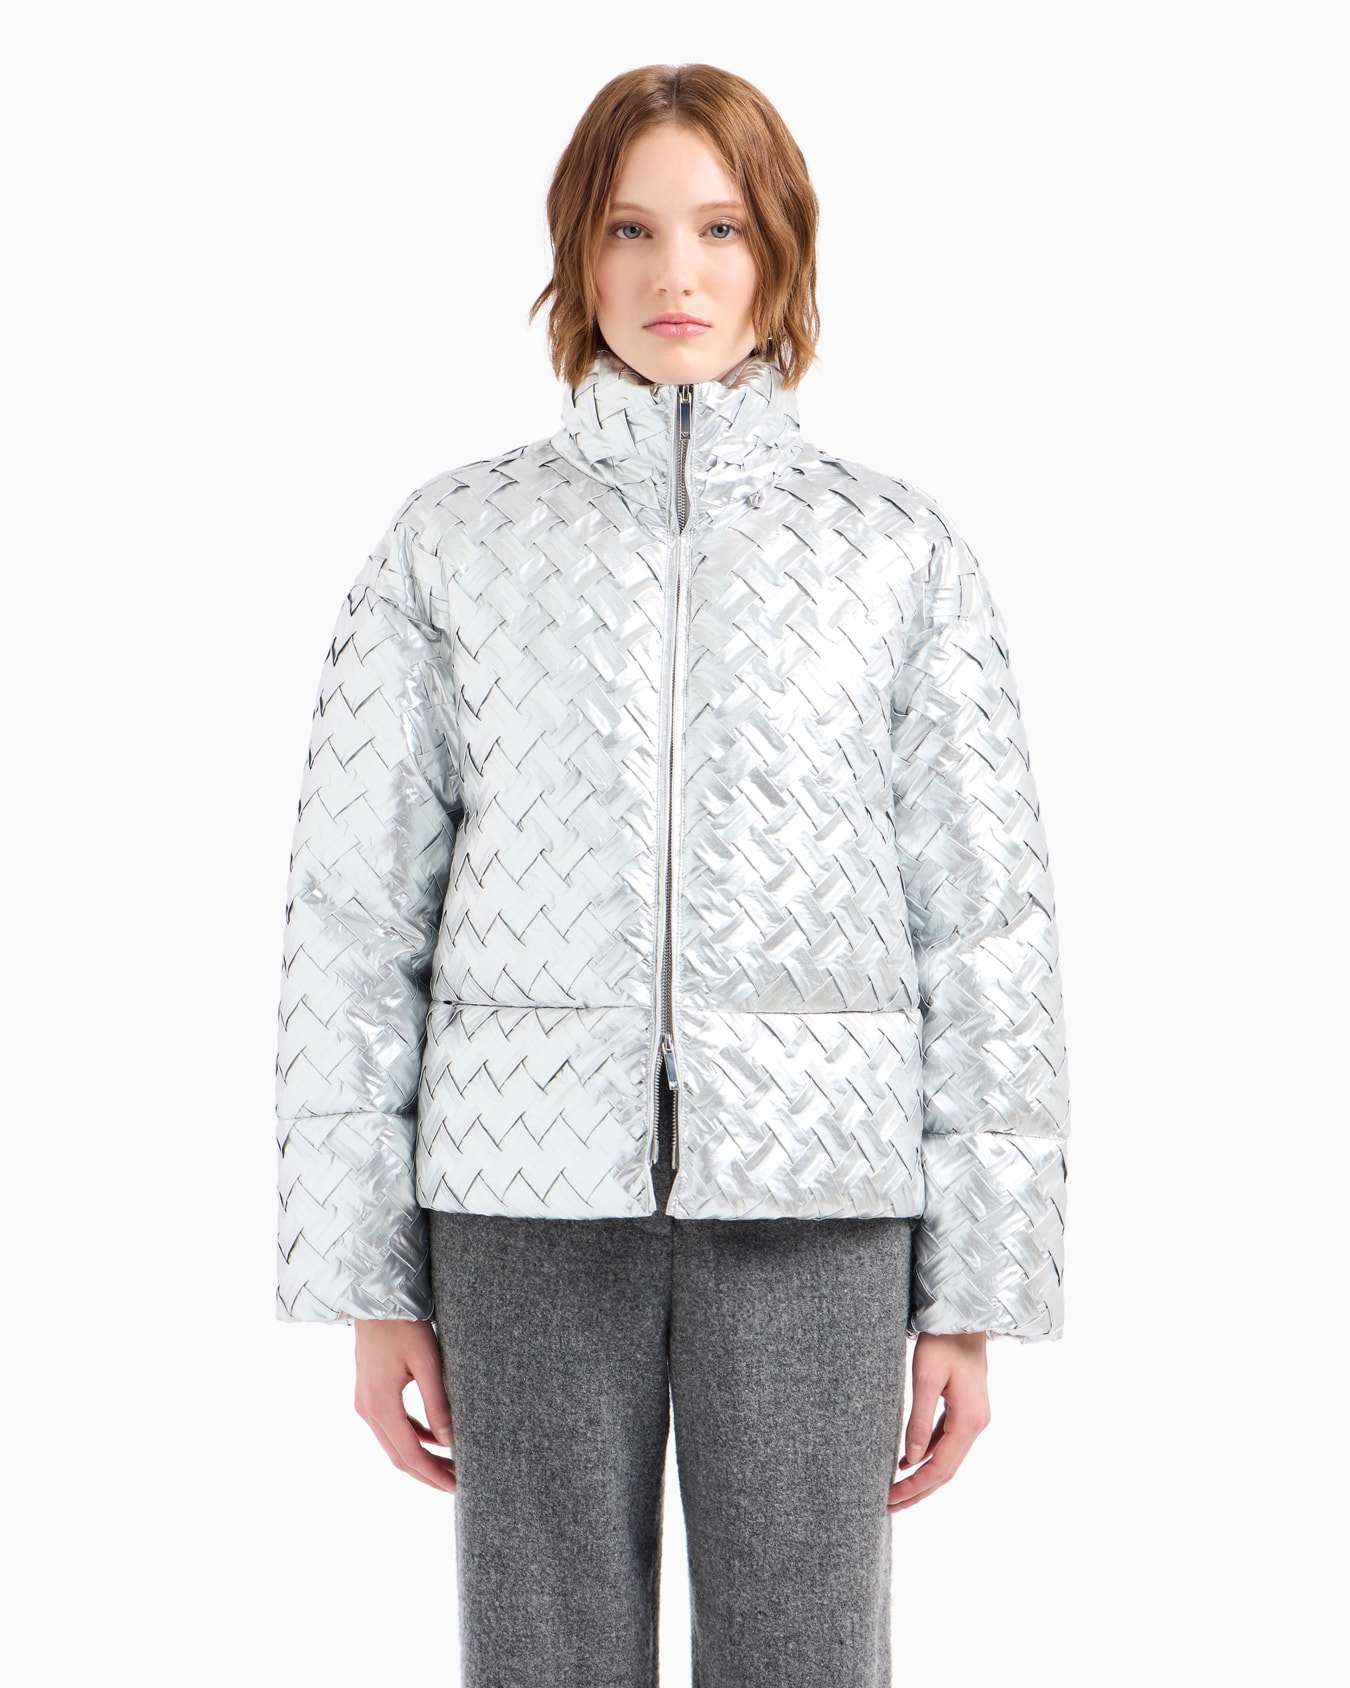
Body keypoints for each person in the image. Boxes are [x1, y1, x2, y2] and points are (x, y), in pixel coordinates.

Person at [274, 61, 1070, 1688]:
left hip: (818, 1209)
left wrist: (970, 1299)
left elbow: (986, 936)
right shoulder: (451, 545)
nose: (675, 273)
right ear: (576, 253)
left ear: (781, 250)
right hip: (517, 1207)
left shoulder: (897, 555)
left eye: (719, 227)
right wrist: (366, 1283)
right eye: (628, 229)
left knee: (801, 1656)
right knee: (544, 1659)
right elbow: (354, 920)